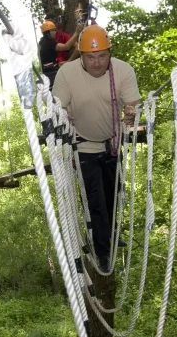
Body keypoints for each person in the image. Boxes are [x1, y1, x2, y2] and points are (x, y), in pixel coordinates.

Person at [53, 24, 141, 271]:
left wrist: (132, 112)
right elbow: (57, 108)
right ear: (81, 55)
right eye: (90, 57)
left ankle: (111, 237)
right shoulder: (67, 74)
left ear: (109, 53)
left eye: (102, 56)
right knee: (96, 202)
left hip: (112, 146)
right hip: (84, 148)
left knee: (115, 196)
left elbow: (132, 103)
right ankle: (102, 253)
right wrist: (63, 117)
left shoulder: (122, 71)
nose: (96, 62)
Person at [39, 20, 82, 88]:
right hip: (51, 74)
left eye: (55, 30)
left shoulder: (42, 42)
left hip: (48, 72)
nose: (55, 32)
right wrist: (77, 32)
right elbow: (66, 46)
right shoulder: (49, 43)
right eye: (52, 31)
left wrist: (56, 64)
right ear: (47, 33)